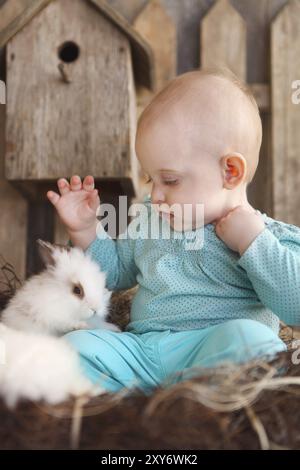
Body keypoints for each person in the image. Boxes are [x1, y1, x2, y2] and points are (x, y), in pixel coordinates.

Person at [47, 67, 300, 395]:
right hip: (143, 354)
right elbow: (112, 275)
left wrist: (252, 242)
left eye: (170, 180)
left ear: (231, 172)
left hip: (212, 354)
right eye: (151, 179)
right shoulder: (153, 219)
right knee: (74, 347)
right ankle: (141, 404)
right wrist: (85, 230)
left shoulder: (267, 236)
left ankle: (187, 404)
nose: (156, 194)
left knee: (254, 344)